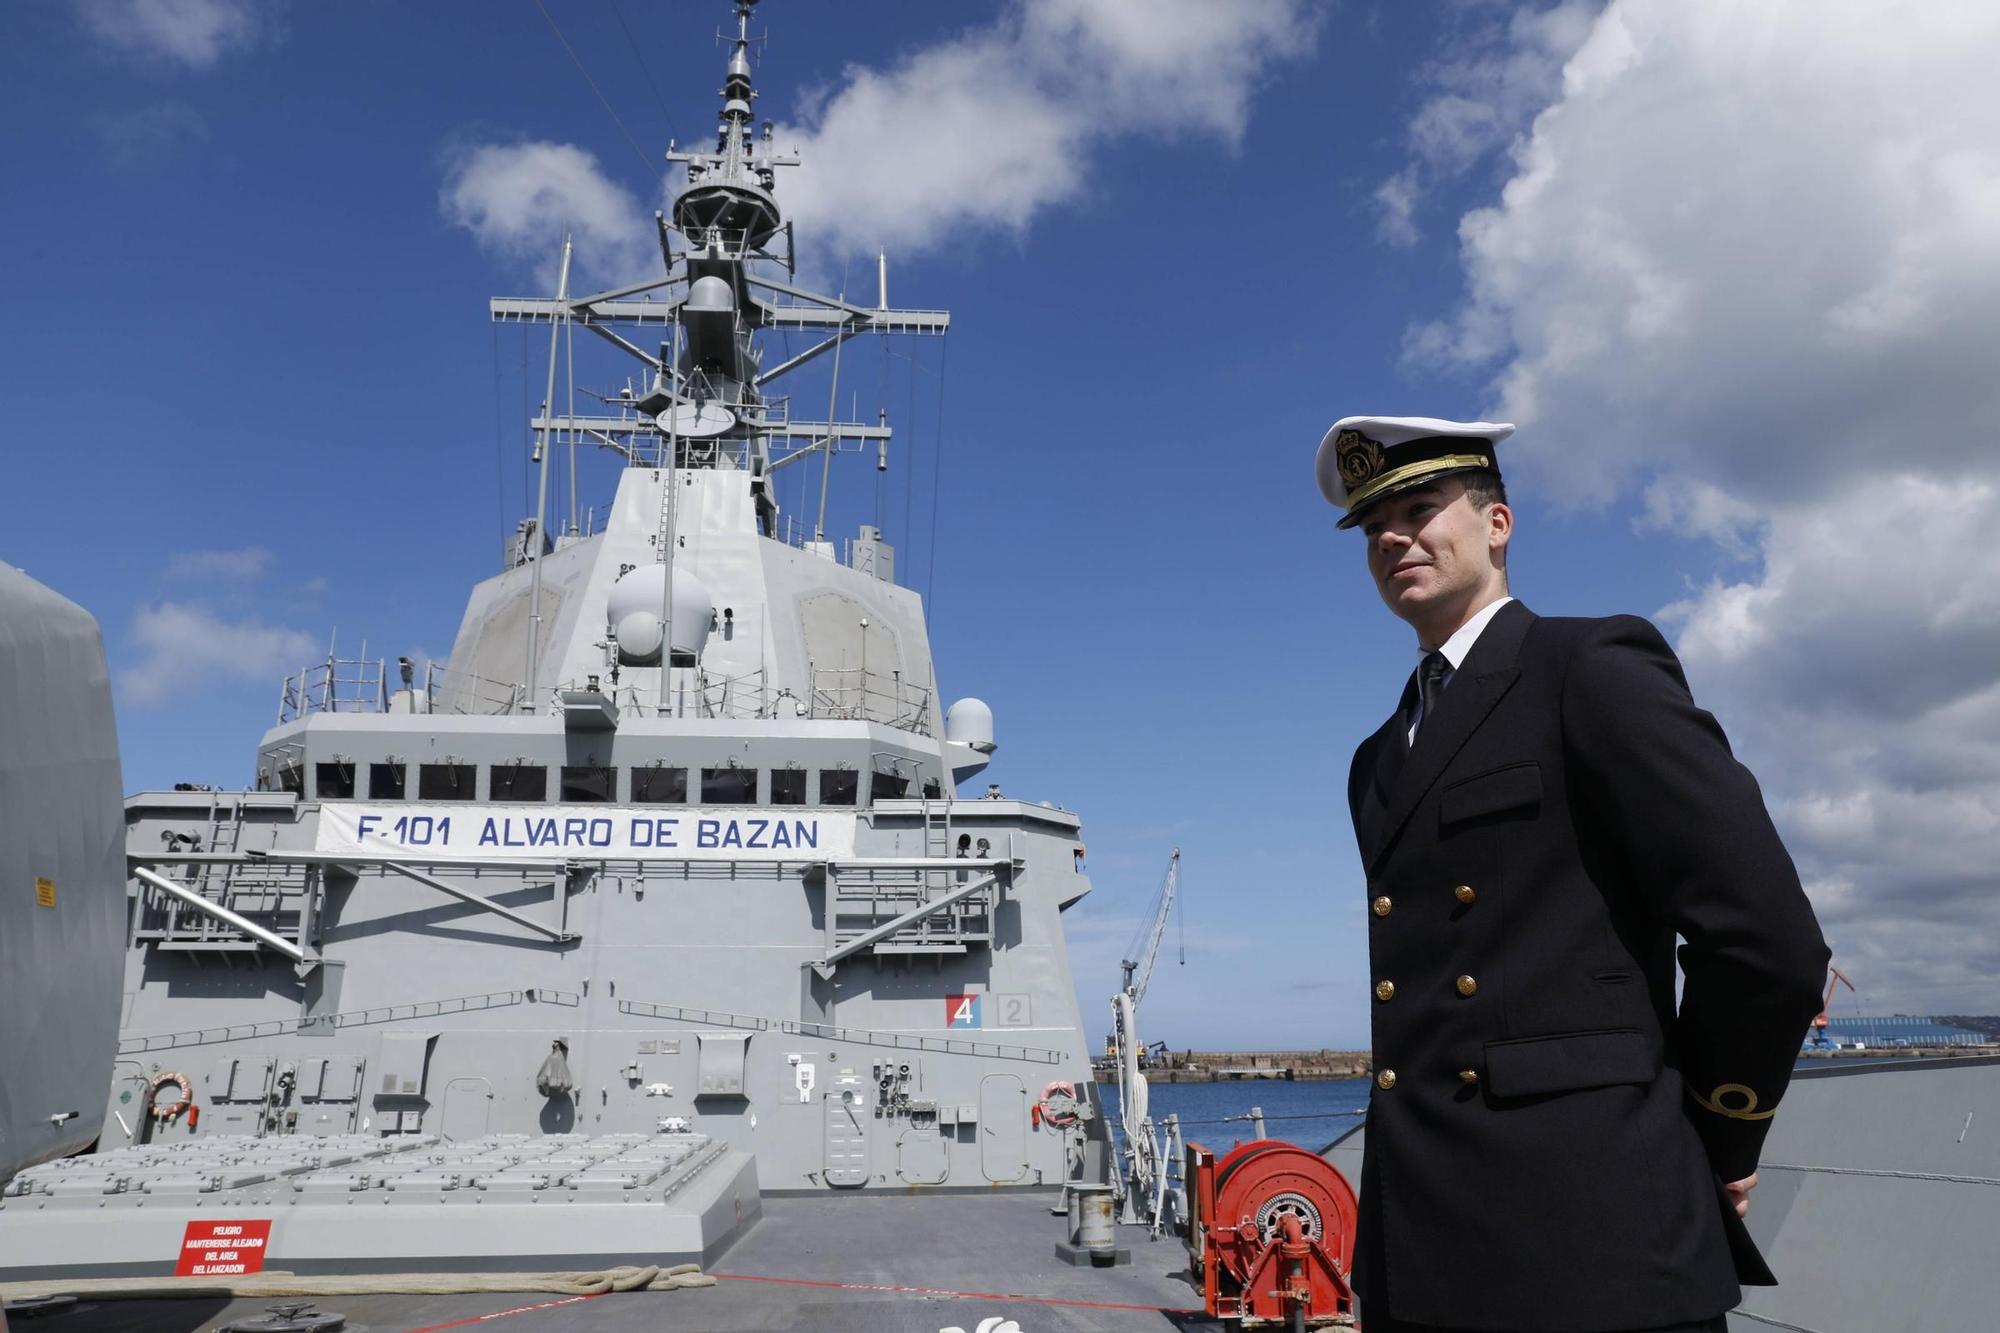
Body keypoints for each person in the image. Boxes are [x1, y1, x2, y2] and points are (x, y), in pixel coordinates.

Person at [1316, 416, 1830, 1333]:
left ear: (1498, 523)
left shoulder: (1586, 668)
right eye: (1373, 526)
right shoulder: (1377, 757)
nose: (1394, 536)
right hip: (1423, 1253)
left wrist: (1714, 1133)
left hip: (1593, 1242)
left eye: (1420, 508)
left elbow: (1768, 938)